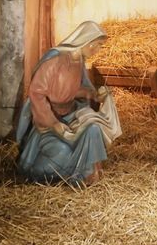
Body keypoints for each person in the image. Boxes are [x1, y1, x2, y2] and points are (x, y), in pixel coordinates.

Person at [15, 20, 121, 186]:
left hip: (71, 116)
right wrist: (54, 123)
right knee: (62, 153)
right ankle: (64, 171)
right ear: (88, 42)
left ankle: (89, 173)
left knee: (93, 129)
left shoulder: (79, 62)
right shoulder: (55, 60)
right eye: (98, 45)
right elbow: (37, 93)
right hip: (49, 122)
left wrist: (94, 95)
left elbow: (71, 90)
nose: (99, 49)